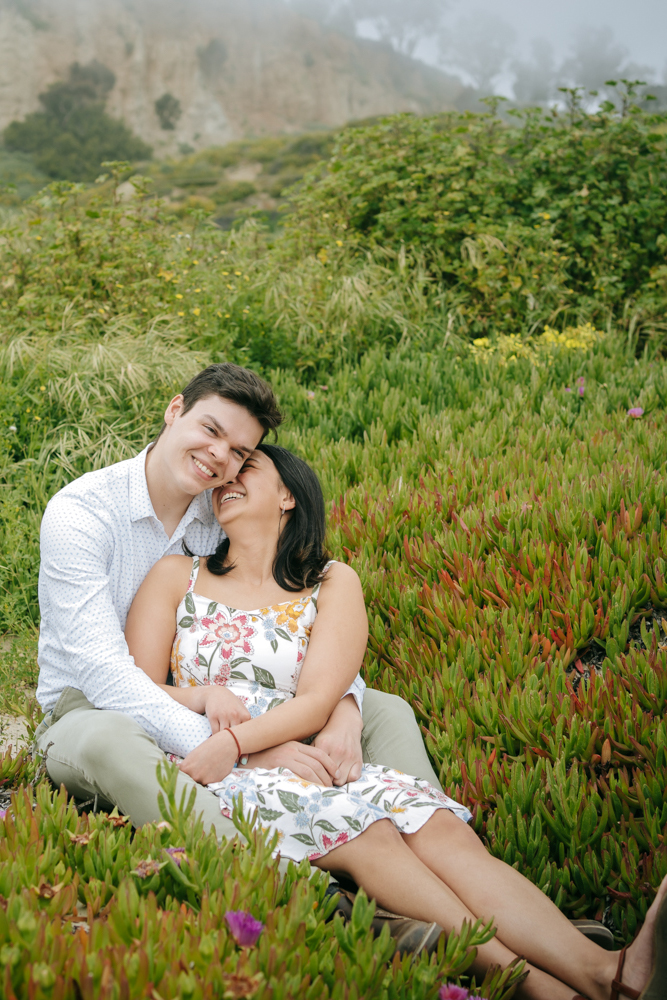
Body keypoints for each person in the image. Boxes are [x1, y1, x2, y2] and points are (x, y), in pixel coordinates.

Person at [125, 442, 665, 1000]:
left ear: (288, 494)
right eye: (222, 479)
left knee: (438, 827)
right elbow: (138, 689)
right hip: (210, 756)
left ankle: (609, 973)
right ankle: (539, 989)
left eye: (246, 469)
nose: (225, 481)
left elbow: (316, 698)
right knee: (370, 831)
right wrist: (214, 708)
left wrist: (300, 726)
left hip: (304, 751)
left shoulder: (331, 582)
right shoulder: (176, 576)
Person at [34, 364, 439, 852]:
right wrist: (250, 751)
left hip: (212, 699)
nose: (219, 457)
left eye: (240, 452)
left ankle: (430, 844)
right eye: (210, 430)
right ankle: (277, 877)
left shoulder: (219, 509)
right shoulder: (81, 514)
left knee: (384, 709)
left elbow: (284, 612)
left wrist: (345, 705)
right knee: (110, 739)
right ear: (174, 410)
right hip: (92, 706)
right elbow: (104, 676)